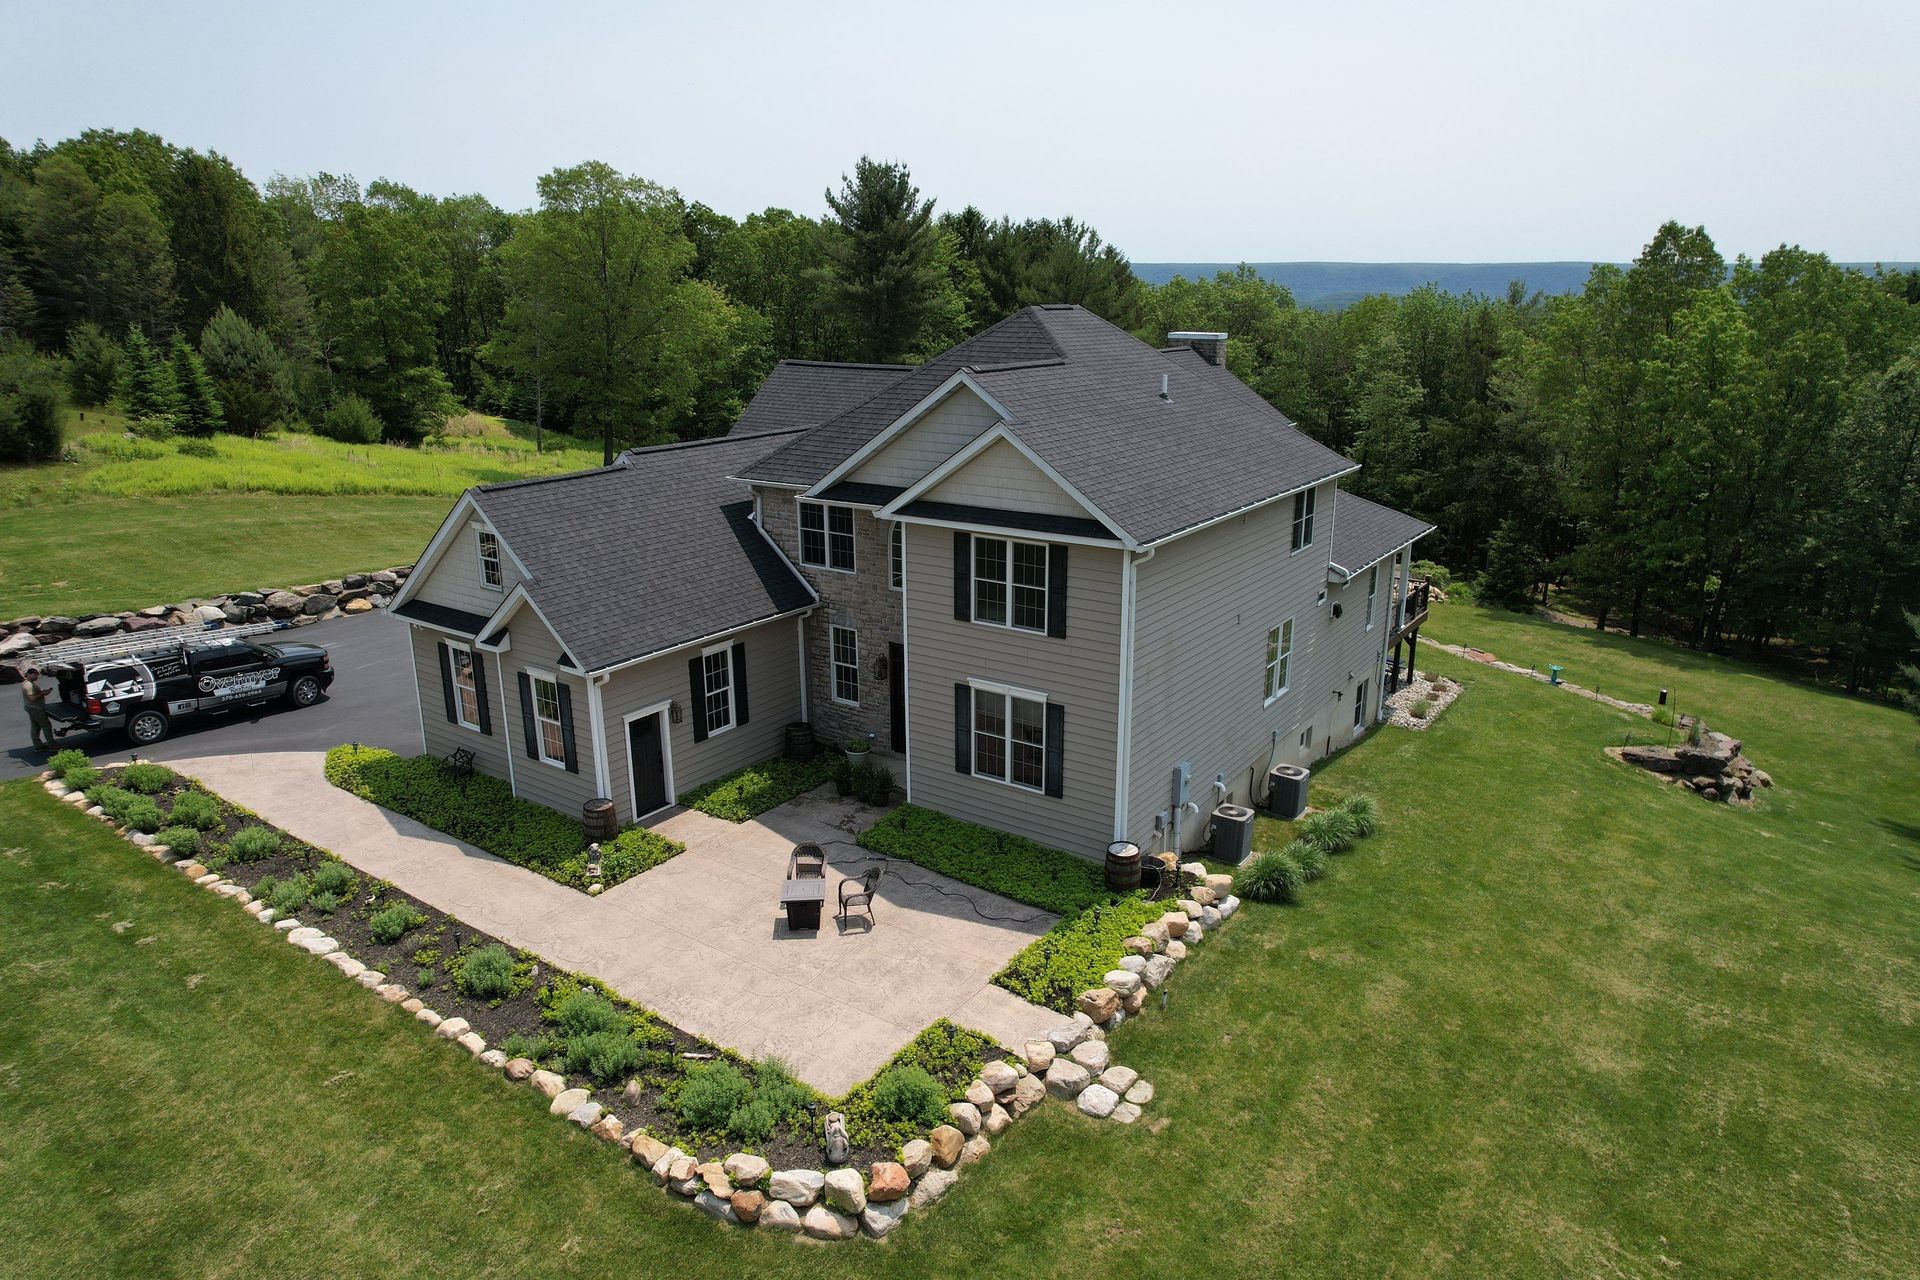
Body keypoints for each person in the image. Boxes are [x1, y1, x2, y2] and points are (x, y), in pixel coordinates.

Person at [20, 665, 57, 752]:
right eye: (34, 675)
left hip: (31, 707)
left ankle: (38, 745)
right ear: (29, 674)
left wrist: (43, 693)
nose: (36, 677)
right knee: (46, 726)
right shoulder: (28, 686)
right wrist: (42, 693)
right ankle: (52, 745)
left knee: (35, 726)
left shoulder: (29, 683)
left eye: (37, 675)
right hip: (35, 708)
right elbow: (32, 698)